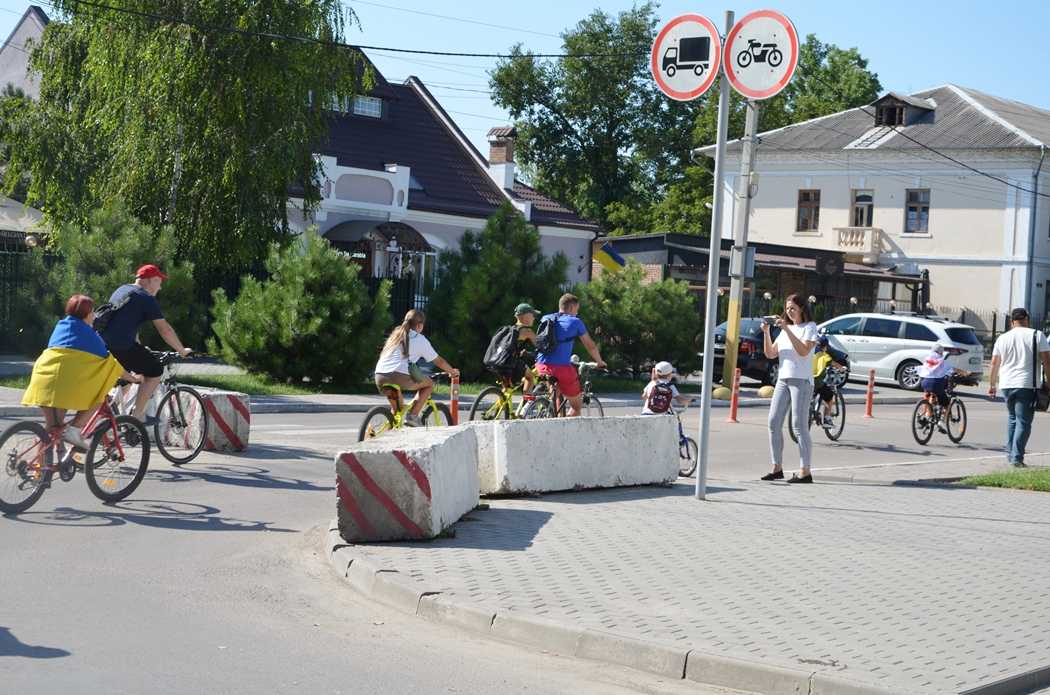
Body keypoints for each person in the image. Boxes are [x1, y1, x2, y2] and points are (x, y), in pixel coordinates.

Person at [22, 295, 139, 449]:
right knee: (97, 399)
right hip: (64, 383)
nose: (94, 315)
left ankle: (42, 469)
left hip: (43, 378)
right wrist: (133, 379)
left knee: (52, 429)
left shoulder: (60, 326)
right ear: (87, 315)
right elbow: (112, 365)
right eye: (92, 312)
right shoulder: (89, 335)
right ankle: (75, 429)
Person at [98, 264, 192, 425]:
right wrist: (181, 350)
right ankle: (137, 415)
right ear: (149, 280)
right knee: (155, 370)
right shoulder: (145, 298)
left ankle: (115, 412)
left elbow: (124, 322)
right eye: (159, 281)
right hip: (122, 346)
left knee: (131, 374)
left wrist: (139, 346)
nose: (160, 287)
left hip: (103, 344)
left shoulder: (122, 289)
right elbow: (164, 329)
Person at [760, 294, 819, 483]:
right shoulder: (785, 330)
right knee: (773, 422)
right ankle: (776, 467)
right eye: (786, 309)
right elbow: (770, 354)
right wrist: (767, 332)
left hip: (801, 381)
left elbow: (803, 352)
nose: (789, 312)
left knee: (799, 426)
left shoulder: (809, 327)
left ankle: (805, 471)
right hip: (783, 380)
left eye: (792, 308)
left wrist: (786, 328)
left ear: (801, 308)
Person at [374, 309, 459, 427]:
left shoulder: (395, 335)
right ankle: (413, 416)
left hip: (380, 376)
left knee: (397, 413)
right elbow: (438, 361)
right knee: (429, 384)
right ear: (419, 325)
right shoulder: (420, 339)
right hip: (398, 376)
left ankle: (383, 433)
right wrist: (452, 372)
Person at [988, 307, 1050, 467]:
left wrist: (992, 384)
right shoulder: (1037, 335)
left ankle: (1011, 454)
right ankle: (1016, 458)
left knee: (1012, 418)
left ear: (1012, 321)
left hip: (1007, 384)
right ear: (1027, 319)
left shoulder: (1003, 338)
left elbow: (994, 363)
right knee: (1023, 421)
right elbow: (1047, 361)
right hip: (1026, 385)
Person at [535, 293, 606, 417]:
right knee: (576, 406)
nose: (577, 313)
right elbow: (590, 346)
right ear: (572, 307)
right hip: (561, 368)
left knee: (554, 394)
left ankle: (551, 413)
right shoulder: (575, 322)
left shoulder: (546, 318)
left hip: (541, 365)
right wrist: (600, 362)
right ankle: (562, 425)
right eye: (577, 310)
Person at [812, 335, 849, 428]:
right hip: (817, 382)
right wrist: (842, 368)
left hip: (804, 380)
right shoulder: (824, 356)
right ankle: (827, 420)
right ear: (825, 347)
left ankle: (811, 409)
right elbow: (834, 363)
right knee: (829, 396)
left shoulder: (808, 352)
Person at [512, 303, 540, 395]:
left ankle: (503, 406)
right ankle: (525, 407)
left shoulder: (511, 329)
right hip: (511, 363)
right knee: (530, 378)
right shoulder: (527, 331)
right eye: (533, 315)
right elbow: (541, 346)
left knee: (507, 390)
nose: (534, 318)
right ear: (526, 316)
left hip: (499, 361)